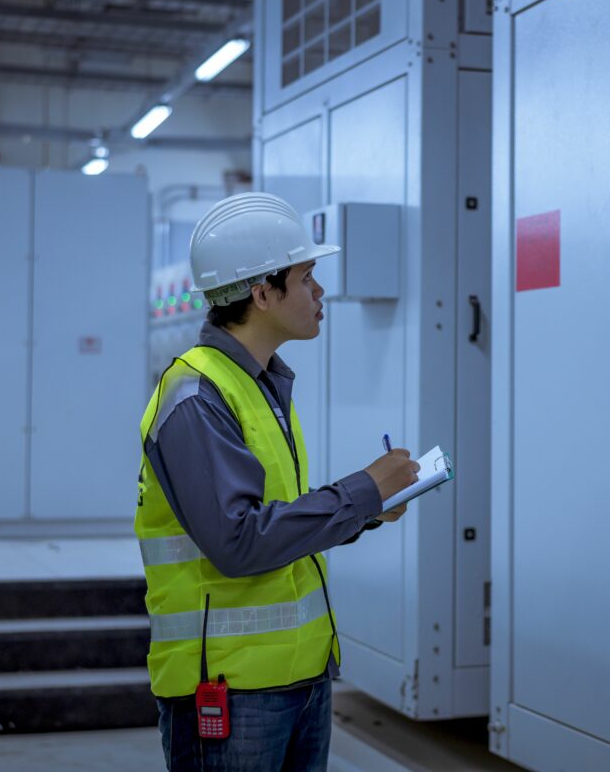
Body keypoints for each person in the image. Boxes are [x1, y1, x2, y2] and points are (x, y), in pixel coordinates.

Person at [134, 192, 420, 771]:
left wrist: (367, 508)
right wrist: (363, 489)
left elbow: (277, 520)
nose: (319, 293)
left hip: (299, 676)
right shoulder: (197, 397)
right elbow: (239, 541)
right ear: (262, 294)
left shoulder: (263, 384)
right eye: (307, 276)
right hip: (231, 687)